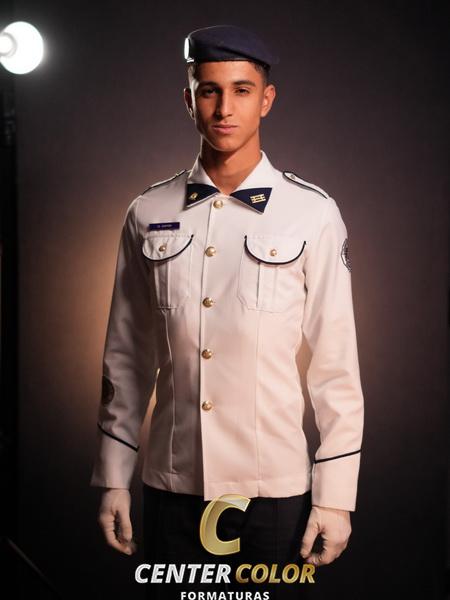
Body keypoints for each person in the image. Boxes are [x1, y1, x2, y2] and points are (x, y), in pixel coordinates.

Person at [90, 24, 364, 599]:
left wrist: (336, 496)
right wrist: (114, 478)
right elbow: (127, 358)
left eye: (242, 90)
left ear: (267, 99)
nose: (223, 108)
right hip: (172, 490)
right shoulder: (147, 211)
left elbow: (336, 367)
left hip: (275, 495)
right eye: (209, 90)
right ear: (188, 98)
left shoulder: (312, 213)